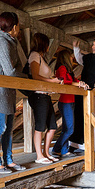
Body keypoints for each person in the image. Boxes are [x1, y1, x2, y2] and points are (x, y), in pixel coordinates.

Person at [0, 11, 27, 174]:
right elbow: (9, 71)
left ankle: (8, 160)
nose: (19, 29)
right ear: (15, 27)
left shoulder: (10, 41)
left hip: (7, 92)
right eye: (19, 26)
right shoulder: (1, 42)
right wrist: (27, 78)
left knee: (8, 128)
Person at [26, 33, 64, 164]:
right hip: (38, 95)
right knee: (40, 126)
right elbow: (35, 76)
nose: (49, 47)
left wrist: (54, 82)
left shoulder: (42, 58)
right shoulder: (34, 55)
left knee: (52, 126)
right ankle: (39, 156)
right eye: (48, 44)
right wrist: (52, 80)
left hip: (46, 95)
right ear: (44, 44)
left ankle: (46, 153)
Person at [51, 47, 88, 158]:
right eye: (71, 57)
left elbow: (73, 80)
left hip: (70, 101)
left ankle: (64, 150)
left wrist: (80, 82)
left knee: (67, 128)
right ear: (66, 57)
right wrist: (76, 83)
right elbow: (63, 80)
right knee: (69, 129)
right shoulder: (62, 68)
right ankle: (56, 149)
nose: (72, 58)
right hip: (65, 101)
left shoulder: (68, 70)